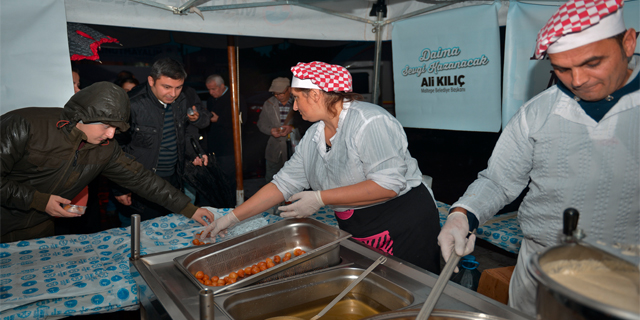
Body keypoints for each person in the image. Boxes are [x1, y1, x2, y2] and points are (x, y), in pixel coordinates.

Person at [437, 0, 639, 316]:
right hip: (538, 266)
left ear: (628, 42)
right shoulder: (538, 111)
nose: (577, 80)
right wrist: (463, 214)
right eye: (561, 68)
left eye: (591, 63)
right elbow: (498, 181)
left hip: (628, 276)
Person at [200, 62, 442, 274]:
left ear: (315, 95)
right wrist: (232, 217)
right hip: (357, 223)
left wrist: (319, 198)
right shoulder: (315, 134)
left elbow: (388, 185)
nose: (294, 107)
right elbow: (282, 184)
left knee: (410, 294)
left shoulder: (370, 122)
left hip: (403, 222)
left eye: (297, 97)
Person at [0, 82, 215, 242]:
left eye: (117, 128)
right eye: (106, 126)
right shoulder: (24, 125)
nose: (111, 134)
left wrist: (189, 208)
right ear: (83, 115)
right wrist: (38, 201)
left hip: (38, 231)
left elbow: (143, 179)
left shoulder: (105, 149)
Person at [113, 58, 210, 222]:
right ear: (151, 81)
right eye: (167, 87)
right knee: (147, 234)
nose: (173, 94)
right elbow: (116, 148)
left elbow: (184, 133)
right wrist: (119, 188)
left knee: (172, 229)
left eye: (178, 87)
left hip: (174, 178)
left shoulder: (181, 100)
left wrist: (194, 153)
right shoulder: (132, 104)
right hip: (142, 182)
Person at [201, 74, 243, 201]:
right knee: (217, 180)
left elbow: (241, 121)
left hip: (229, 148)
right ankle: (220, 204)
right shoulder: (211, 99)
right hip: (214, 148)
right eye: (209, 89)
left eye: (213, 89)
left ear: (222, 86)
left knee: (228, 181)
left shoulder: (234, 98)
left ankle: (230, 206)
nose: (211, 92)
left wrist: (219, 120)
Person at [257, 77, 295, 183]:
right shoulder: (269, 104)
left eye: (281, 93)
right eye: (275, 93)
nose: (278, 96)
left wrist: (292, 128)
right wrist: (271, 131)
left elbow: (308, 124)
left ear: (289, 89)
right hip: (274, 149)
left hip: (295, 148)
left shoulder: (298, 102)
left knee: (294, 181)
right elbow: (261, 124)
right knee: (272, 180)